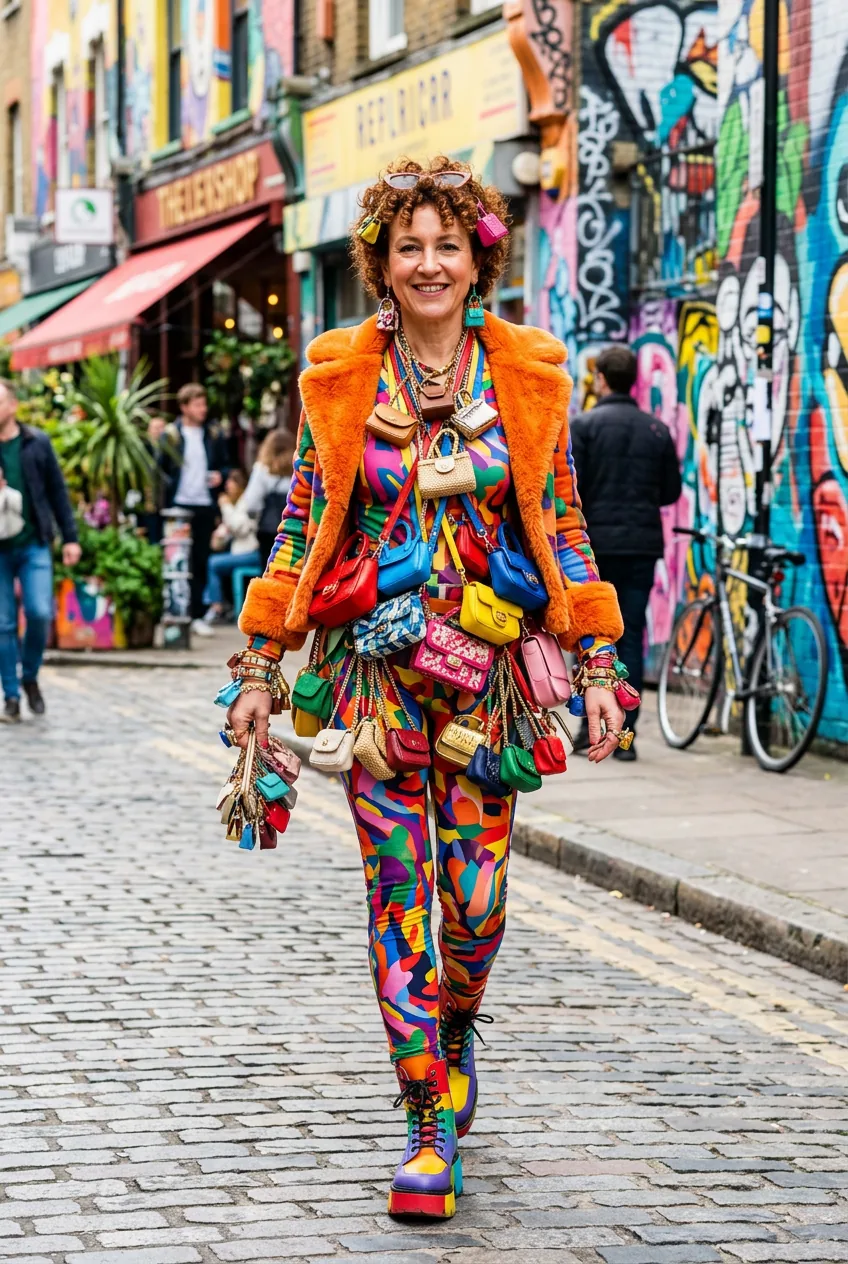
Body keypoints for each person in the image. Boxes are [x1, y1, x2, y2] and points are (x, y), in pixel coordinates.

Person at [224, 157, 629, 1220]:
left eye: (447, 243)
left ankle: (453, 1030)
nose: (429, 263)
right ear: (381, 262)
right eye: (408, 246)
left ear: (477, 256)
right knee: (400, 897)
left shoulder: (528, 378)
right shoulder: (342, 379)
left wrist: (595, 663)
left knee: (476, 908)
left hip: (490, 689)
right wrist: (262, 665)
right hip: (375, 687)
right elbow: (303, 526)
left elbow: (561, 525)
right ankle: (423, 1118)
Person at [570, 345, 682, 760]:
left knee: (593, 634)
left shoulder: (585, 426)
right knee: (631, 633)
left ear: (601, 378)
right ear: (634, 380)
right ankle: (625, 738)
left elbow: (572, 488)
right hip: (640, 547)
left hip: (594, 549)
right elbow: (670, 491)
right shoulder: (656, 430)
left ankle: (588, 730)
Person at [0, 377, 81, 722]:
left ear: (13, 406)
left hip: (34, 543)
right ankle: (11, 696)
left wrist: (71, 537)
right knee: (3, 624)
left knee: (39, 613)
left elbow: (57, 491)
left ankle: (29, 675)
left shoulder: (36, 442)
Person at [158, 385, 229, 639]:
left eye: (204, 404)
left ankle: (197, 615)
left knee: (200, 560)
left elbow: (226, 465)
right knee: (177, 560)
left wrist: (221, 476)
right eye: (197, 405)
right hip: (178, 506)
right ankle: (176, 612)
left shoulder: (213, 433)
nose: (203, 409)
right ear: (184, 407)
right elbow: (159, 470)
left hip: (204, 505)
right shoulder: (170, 435)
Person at [202, 470, 262, 624]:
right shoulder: (237, 504)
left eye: (231, 481)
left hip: (252, 553)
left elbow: (238, 527)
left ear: (239, 484)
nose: (227, 485)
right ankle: (218, 605)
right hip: (241, 552)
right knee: (214, 561)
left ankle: (216, 608)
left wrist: (225, 506)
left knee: (213, 563)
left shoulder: (247, 501)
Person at [238, 429, 293, 565]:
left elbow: (252, 503)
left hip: (269, 532)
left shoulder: (262, 469)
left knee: (269, 571)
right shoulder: (298, 470)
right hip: (294, 531)